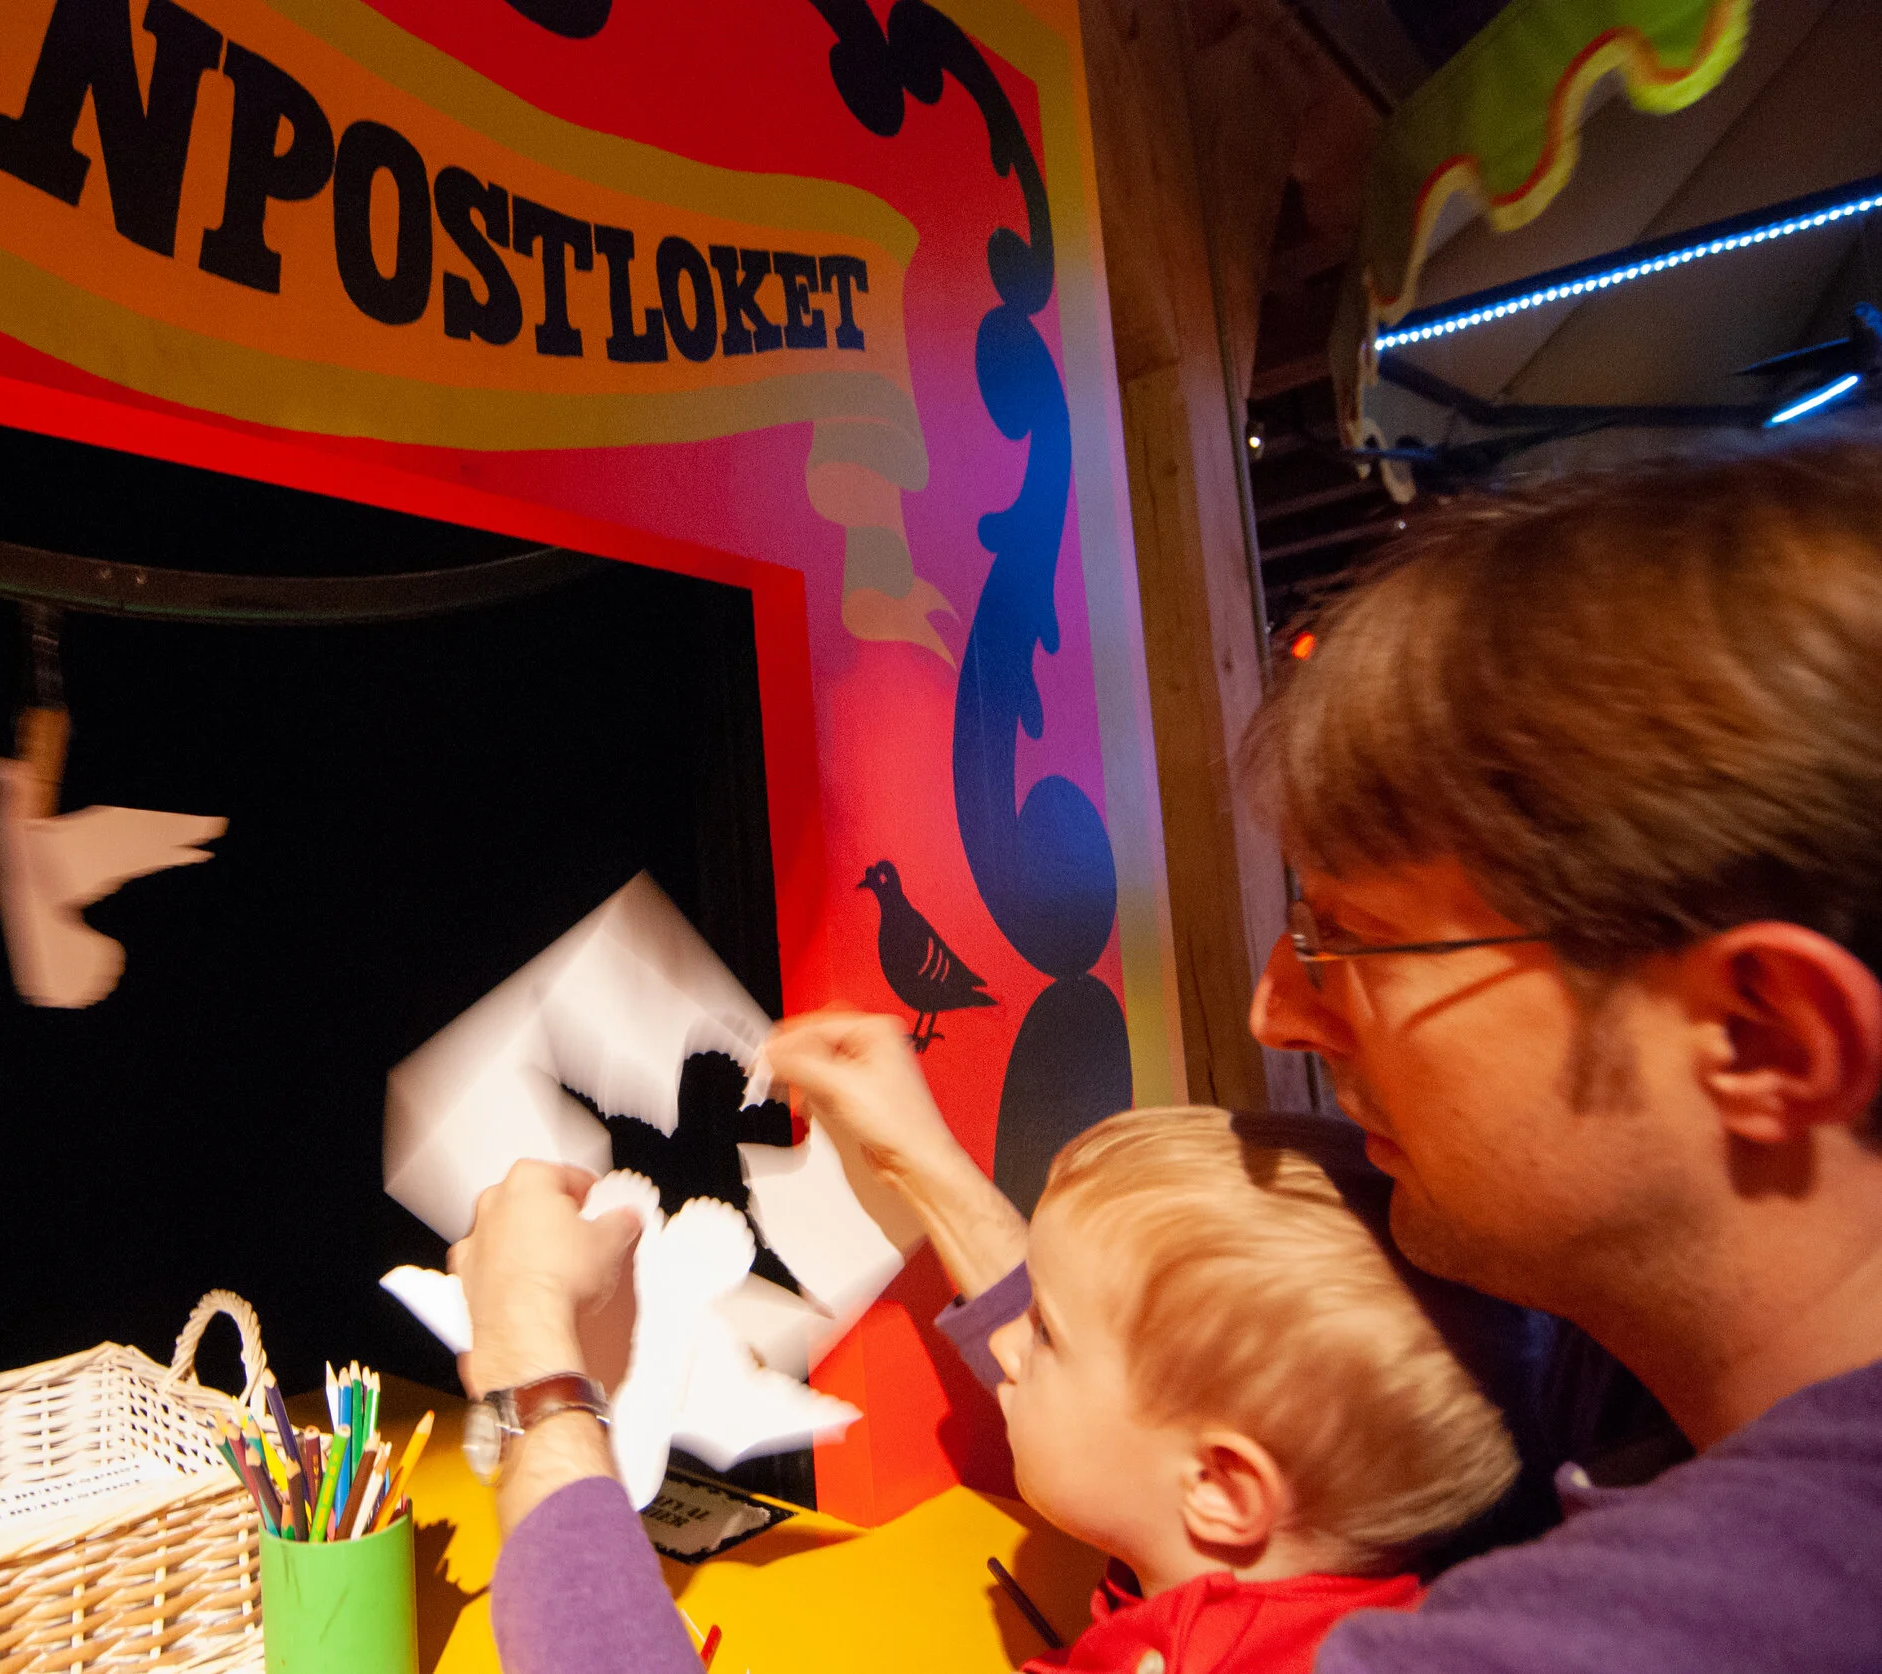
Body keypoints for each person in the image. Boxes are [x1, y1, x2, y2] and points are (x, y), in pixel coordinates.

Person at [456, 428, 1882, 1672]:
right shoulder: (1614, 1392)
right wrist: (933, 1171)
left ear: (1761, 1035)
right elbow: (1176, 1393)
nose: (1276, 1012)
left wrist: (536, 1376)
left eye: (1357, 940)